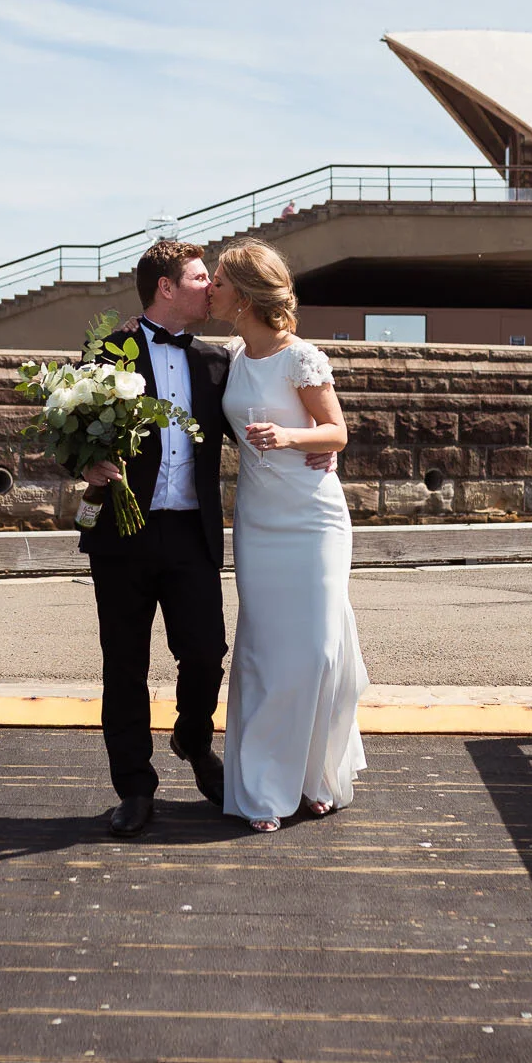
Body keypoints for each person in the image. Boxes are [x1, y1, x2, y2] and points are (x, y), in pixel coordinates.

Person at [77, 239, 332, 838]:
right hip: (122, 535)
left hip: (191, 534)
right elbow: (72, 429)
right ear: (166, 287)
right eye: (198, 278)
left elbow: (264, 414)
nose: (208, 288)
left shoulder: (219, 362)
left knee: (205, 653)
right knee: (125, 666)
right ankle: (135, 789)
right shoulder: (104, 352)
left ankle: (193, 741)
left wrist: (314, 452)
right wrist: (85, 465)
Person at [210, 239, 369, 833]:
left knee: (318, 649)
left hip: (312, 519)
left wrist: (289, 438)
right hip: (257, 519)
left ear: (247, 294)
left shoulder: (302, 357)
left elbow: (336, 433)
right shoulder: (231, 355)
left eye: (220, 280)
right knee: (264, 651)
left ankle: (317, 776)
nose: (212, 289)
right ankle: (264, 785)